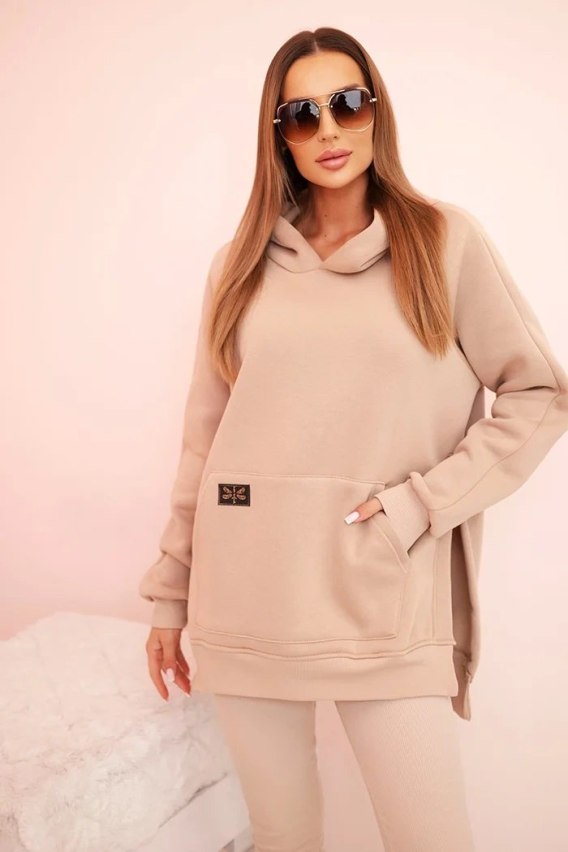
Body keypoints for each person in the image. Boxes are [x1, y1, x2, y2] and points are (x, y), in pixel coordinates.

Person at [138, 27, 568, 852]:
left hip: (384, 599)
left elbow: (540, 392)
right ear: (279, 135)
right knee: (283, 836)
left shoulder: (443, 243)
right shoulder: (237, 267)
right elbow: (205, 444)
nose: (329, 130)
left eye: (347, 103)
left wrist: (421, 505)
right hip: (246, 595)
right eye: (302, 115)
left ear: (376, 111)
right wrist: (169, 596)